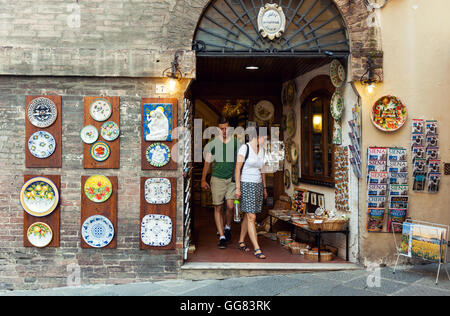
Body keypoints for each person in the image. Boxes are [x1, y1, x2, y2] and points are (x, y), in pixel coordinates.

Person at [202, 117, 240, 249]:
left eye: (226, 128)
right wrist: (203, 179)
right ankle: (222, 236)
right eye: (221, 129)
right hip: (217, 178)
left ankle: (228, 226)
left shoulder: (236, 142)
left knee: (230, 206)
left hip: (231, 179)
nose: (224, 131)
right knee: (218, 207)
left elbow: (240, 162)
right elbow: (207, 162)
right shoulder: (213, 143)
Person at [234, 128, 268, 259]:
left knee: (249, 215)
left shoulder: (262, 150)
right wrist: (238, 188)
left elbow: (263, 170)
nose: (266, 140)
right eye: (264, 137)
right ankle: (257, 248)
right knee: (251, 217)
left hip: (258, 185)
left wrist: (264, 188)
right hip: (246, 184)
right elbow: (237, 168)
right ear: (257, 136)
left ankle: (241, 241)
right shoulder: (245, 148)